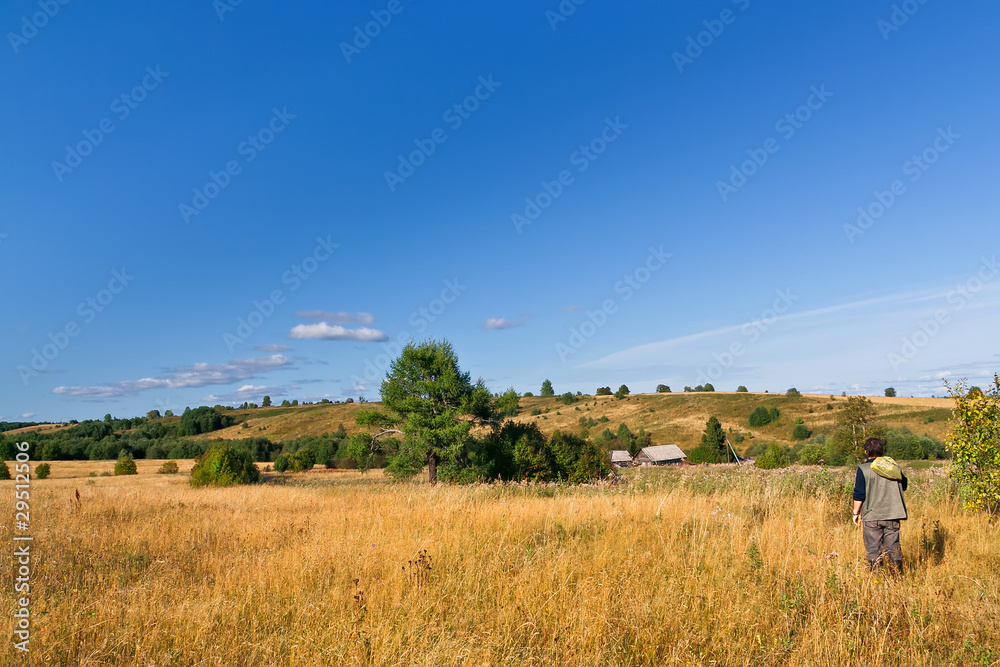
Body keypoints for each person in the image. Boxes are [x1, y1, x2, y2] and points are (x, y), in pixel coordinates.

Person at [852, 436, 908, 573]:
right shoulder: (893, 468)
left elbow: (859, 494)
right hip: (893, 514)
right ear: (882, 451)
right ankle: (896, 577)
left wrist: (855, 513)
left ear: (866, 452)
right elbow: (904, 485)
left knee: (873, 550)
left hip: (872, 515)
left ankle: (876, 577)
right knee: (893, 549)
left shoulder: (863, 469)